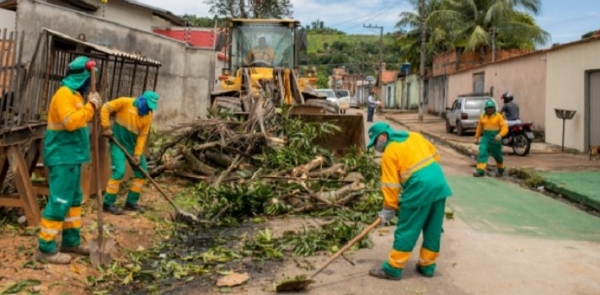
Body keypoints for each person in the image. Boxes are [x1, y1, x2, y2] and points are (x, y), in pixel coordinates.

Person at [36, 56, 102, 264]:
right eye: (89, 79)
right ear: (81, 77)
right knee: (60, 200)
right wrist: (90, 107)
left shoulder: (75, 95)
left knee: (74, 200)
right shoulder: (64, 95)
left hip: (72, 156)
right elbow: (72, 123)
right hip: (61, 156)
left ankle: (71, 241)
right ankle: (45, 248)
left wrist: (89, 106)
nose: (90, 84)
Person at [366, 122, 453, 281]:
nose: (376, 147)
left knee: (408, 227)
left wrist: (388, 208)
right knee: (432, 227)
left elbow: (390, 184)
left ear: (383, 136)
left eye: (376, 142)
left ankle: (393, 268)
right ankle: (427, 266)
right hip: (439, 183)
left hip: (419, 187)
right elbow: (436, 156)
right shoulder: (415, 136)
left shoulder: (390, 151)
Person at [100, 91, 159, 215]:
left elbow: (142, 136)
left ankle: (131, 202)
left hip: (132, 147)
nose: (148, 109)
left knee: (142, 173)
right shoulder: (125, 102)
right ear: (141, 99)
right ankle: (108, 203)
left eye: (151, 108)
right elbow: (105, 107)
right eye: (147, 106)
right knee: (119, 172)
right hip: (118, 143)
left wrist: (137, 154)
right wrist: (106, 127)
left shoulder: (148, 116)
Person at [474, 100, 508, 177]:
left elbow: (505, 128)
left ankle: (501, 168)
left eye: (491, 108)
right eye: (488, 108)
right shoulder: (482, 116)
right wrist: (476, 137)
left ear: (494, 109)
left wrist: (500, 135)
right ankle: (480, 170)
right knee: (482, 152)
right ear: (485, 109)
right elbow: (479, 127)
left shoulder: (498, 116)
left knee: (497, 155)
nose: (490, 110)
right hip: (486, 139)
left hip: (496, 140)